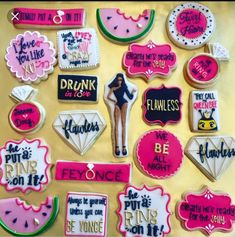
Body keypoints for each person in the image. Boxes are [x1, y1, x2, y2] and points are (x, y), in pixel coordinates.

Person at [106, 73, 136, 156]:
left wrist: (132, 92)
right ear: (116, 80)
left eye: (121, 80)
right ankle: (116, 147)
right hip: (117, 104)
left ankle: (124, 147)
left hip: (124, 103)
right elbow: (108, 97)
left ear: (122, 80)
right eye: (118, 79)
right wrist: (113, 101)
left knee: (123, 124)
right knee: (116, 125)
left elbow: (130, 97)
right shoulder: (113, 88)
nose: (120, 81)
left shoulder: (124, 87)